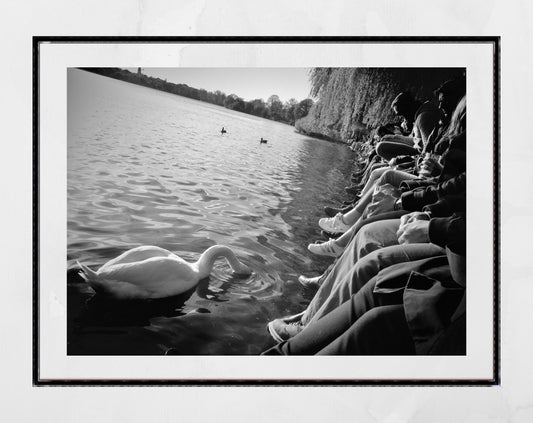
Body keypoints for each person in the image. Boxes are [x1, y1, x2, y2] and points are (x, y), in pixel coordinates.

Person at [264, 213, 466, 354]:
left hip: (461, 248)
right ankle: (316, 310)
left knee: (372, 262)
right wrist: (430, 213)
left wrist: (435, 226)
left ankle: (309, 327)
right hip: (456, 233)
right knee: (368, 235)